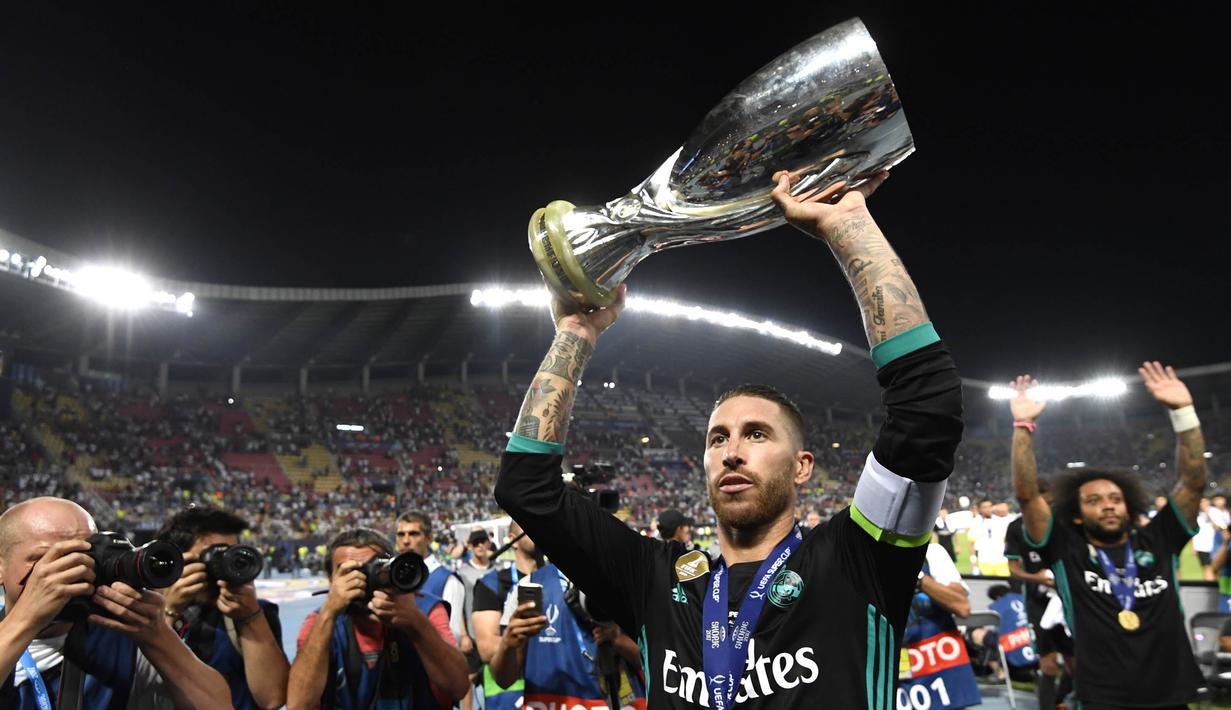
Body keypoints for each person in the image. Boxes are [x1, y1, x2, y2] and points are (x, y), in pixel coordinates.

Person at [494, 171, 963, 707]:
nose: (732, 451)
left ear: (803, 465)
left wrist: (850, 225)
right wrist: (576, 333)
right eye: (717, 439)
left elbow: (928, 412)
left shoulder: (856, 560)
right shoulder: (654, 580)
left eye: (756, 434)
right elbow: (525, 488)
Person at [1010, 363, 1205, 708]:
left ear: (1129, 506)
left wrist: (1184, 413)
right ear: (1076, 513)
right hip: (1101, 697)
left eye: (1116, 499)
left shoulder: (1159, 540)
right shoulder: (1066, 549)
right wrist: (1023, 427)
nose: (1109, 506)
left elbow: (1192, 483)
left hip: (1171, 693)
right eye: (1094, 501)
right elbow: (1028, 495)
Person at [0, 497, 231, 708]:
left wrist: (159, 635)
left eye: (85, 556)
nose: (71, 571)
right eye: (46, 559)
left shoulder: (125, 640)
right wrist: (25, 620)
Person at [287, 527, 469, 710]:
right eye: (350, 572)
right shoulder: (320, 622)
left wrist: (415, 622)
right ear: (331, 579)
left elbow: (459, 687)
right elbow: (298, 705)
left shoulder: (424, 610)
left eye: (373, 569)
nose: (363, 580)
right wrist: (328, 613)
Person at [156, 505, 289, 710]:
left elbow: (272, 699)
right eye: (212, 556)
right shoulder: (146, 614)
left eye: (231, 554)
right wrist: (169, 611)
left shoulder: (257, 612)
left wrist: (250, 616)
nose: (223, 564)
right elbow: (141, 681)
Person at [1004, 479, 1073, 709]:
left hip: (1066, 600)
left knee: (1075, 663)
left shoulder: (1063, 524)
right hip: (1037, 601)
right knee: (1049, 663)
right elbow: (1013, 569)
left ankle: (1058, 701)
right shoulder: (1016, 528)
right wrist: (1039, 579)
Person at [899, 542, 980, 708]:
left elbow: (962, 607)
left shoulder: (931, 552)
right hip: (899, 666)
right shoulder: (861, 559)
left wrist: (917, 575)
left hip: (939, 665)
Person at [395, 512, 468, 652]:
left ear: (428, 538)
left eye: (413, 534)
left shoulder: (447, 579)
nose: (406, 540)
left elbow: (452, 634)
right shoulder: (391, 576)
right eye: (401, 534)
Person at [967, 498, 1010, 576]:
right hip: (984, 561)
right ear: (980, 509)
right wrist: (974, 563)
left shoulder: (1000, 521)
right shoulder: (975, 523)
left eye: (989, 506)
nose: (987, 509)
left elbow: (1007, 541)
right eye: (984, 507)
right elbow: (971, 544)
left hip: (1002, 561)